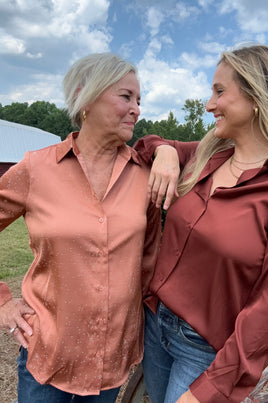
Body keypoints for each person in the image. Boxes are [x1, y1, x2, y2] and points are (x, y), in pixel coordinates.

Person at [134, 44, 268, 403]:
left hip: (205, 351)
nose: (208, 104)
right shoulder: (207, 156)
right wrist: (167, 151)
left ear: (256, 97)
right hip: (156, 324)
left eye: (220, 91)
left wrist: (212, 388)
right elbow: (145, 144)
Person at [0, 53, 161, 402]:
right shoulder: (36, 169)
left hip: (112, 361)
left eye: (139, 100)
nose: (136, 109)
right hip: (47, 354)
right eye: (125, 96)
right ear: (85, 97)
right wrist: (3, 303)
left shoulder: (144, 176)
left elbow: (149, 257)